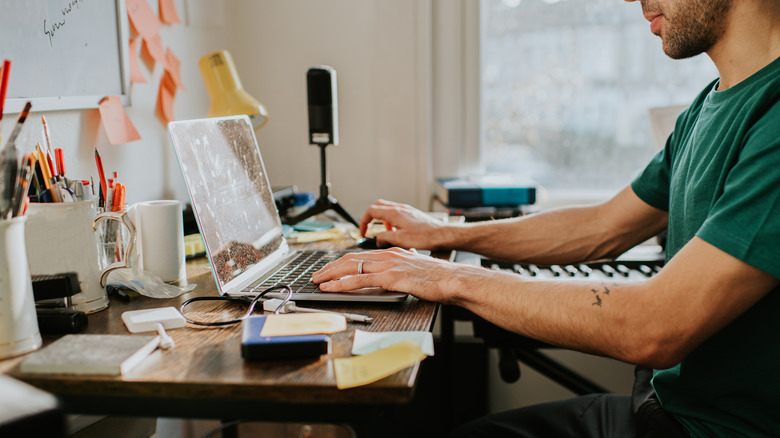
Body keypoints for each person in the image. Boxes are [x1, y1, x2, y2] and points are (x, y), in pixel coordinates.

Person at [314, 0, 780, 436]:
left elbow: (657, 325)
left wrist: (448, 278)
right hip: (662, 407)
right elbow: (603, 228)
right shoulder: (706, 107)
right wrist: (444, 233)